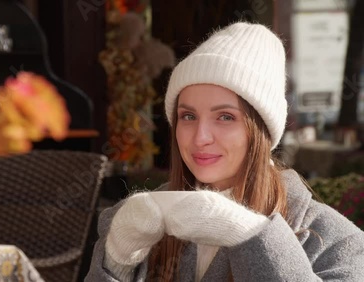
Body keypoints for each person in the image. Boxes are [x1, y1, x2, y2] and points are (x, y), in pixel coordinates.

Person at [85, 22, 364, 281]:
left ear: (261, 131)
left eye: (225, 117)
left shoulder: (339, 242)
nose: (200, 138)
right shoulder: (134, 221)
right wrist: (119, 260)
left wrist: (245, 232)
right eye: (188, 116)